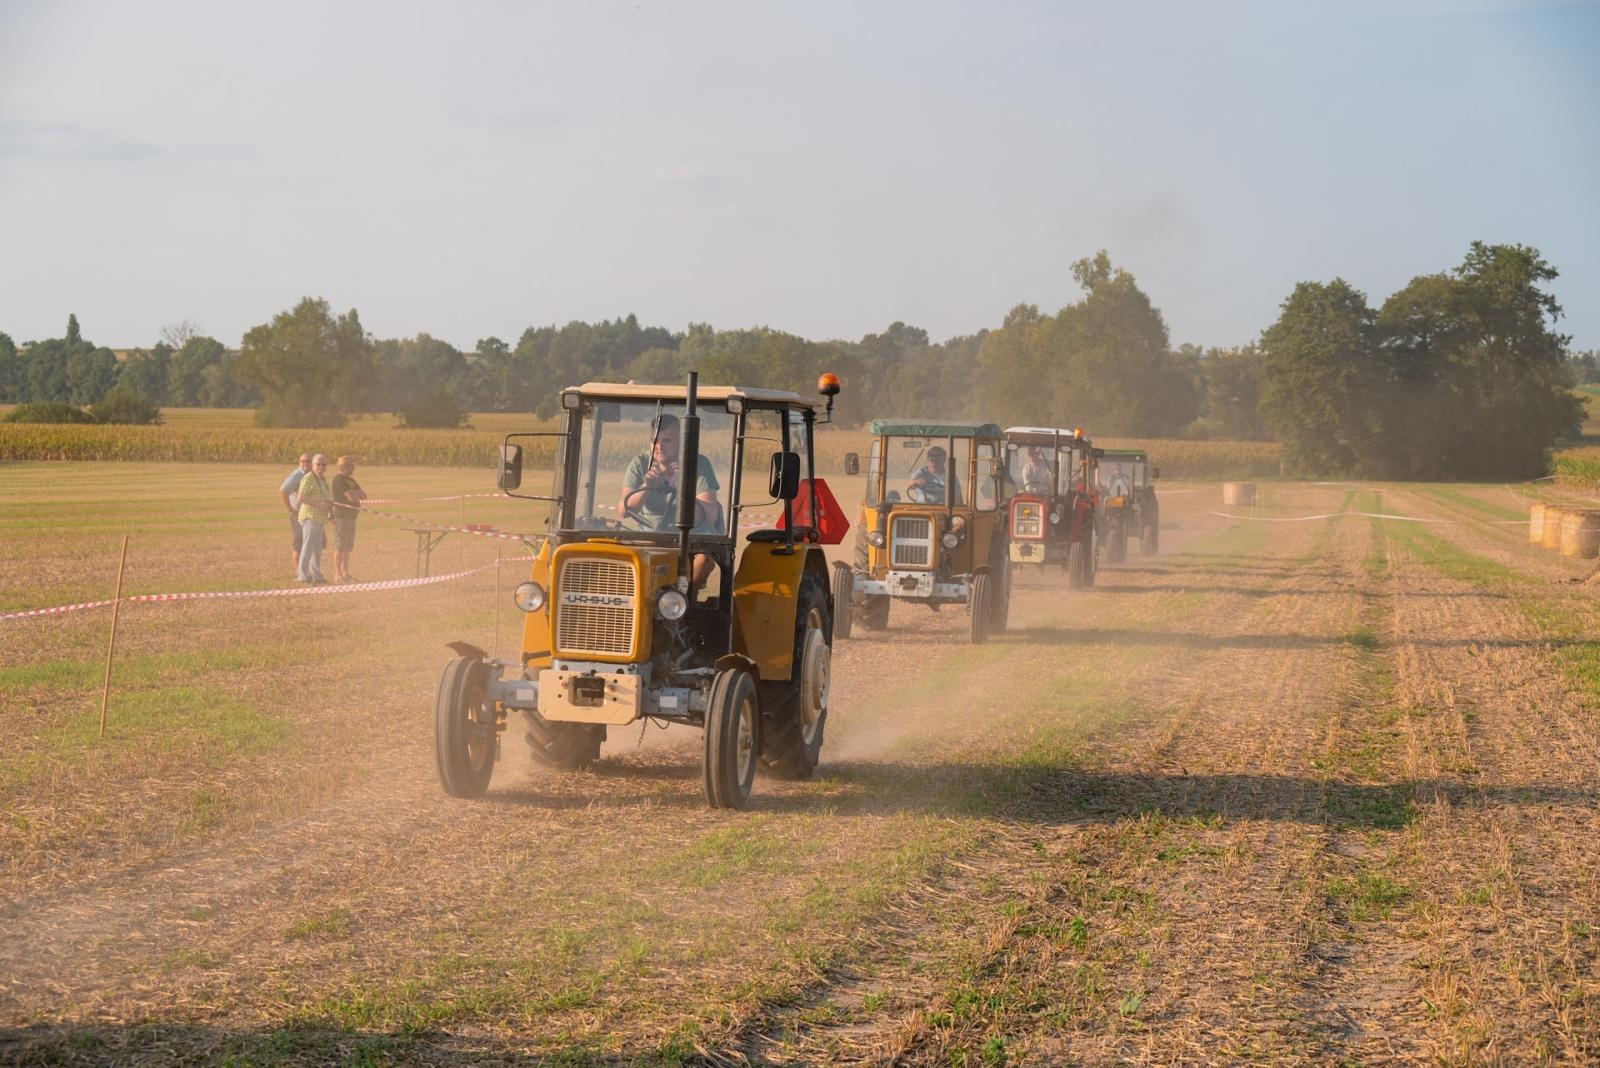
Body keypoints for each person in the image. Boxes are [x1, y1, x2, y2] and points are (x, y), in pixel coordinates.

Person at [618, 414, 720, 582]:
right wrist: (646, 486)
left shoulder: (699, 464)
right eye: (654, 441)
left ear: (681, 442)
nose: (659, 447)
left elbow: (710, 514)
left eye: (667, 441)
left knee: (703, 558)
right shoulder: (640, 463)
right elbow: (624, 510)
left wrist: (681, 488)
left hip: (690, 535)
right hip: (650, 534)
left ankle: (684, 598)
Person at [296, 454, 334, 584]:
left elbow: (328, 500)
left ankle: (316, 575)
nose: (321, 467)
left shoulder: (322, 480)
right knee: (308, 547)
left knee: (317, 548)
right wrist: (320, 504)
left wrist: (331, 513)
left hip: (320, 519)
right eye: (318, 464)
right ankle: (302, 575)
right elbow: (301, 497)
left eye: (324, 464)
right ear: (313, 465)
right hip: (309, 517)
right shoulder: (308, 478)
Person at [330, 455, 367, 583]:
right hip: (341, 517)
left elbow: (364, 496)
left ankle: (345, 572)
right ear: (344, 467)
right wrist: (356, 494)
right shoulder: (338, 480)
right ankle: (337, 573)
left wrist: (356, 494)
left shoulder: (350, 480)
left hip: (351, 517)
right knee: (340, 546)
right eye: (352, 466)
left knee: (348, 547)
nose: (353, 469)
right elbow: (352, 498)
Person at [278, 453, 312, 575]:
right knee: (300, 542)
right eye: (303, 461)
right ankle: (300, 572)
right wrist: (291, 510)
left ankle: (307, 570)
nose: (306, 464)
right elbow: (283, 491)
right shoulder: (297, 475)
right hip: (298, 514)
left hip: (309, 514)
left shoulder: (311, 475)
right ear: (299, 462)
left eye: (308, 461)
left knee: (310, 542)